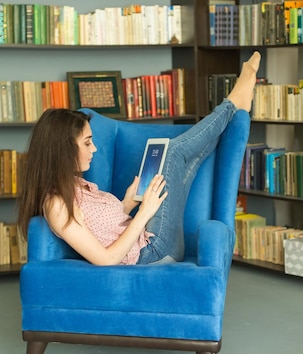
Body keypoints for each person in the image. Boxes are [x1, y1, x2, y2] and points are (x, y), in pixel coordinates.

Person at [17, 51, 261, 266]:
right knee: (173, 153)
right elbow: (106, 259)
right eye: (87, 143)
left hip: (148, 240)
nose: (94, 150)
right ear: (63, 149)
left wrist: (129, 203)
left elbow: (104, 229)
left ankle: (235, 109)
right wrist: (144, 213)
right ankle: (233, 104)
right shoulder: (57, 205)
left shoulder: (74, 185)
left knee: (186, 159)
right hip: (152, 253)